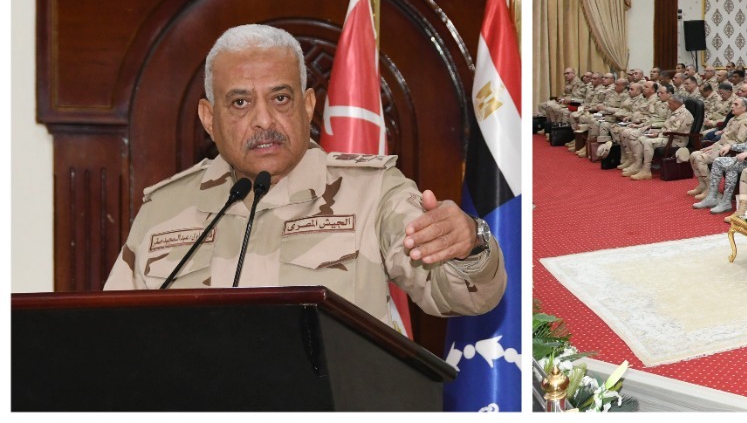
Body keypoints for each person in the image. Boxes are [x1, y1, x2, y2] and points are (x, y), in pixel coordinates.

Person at [103, 24, 506, 327]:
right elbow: (111, 334)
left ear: (308, 105)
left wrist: (469, 246)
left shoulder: (373, 193)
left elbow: (460, 296)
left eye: (280, 98)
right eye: (240, 102)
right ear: (209, 118)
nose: (264, 120)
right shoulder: (163, 210)